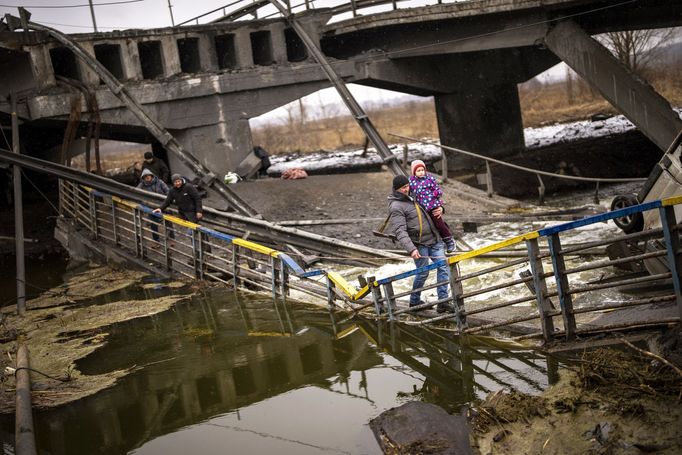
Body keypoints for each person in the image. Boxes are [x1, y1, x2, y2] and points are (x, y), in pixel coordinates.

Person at [388, 174, 453, 313]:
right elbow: (400, 231)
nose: (406, 189)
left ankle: (443, 302)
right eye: (402, 188)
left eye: (406, 186)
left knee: (443, 267)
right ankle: (414, 301)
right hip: (419, 244)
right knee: (423, 273)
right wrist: (411, 249)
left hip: (434, 240)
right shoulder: (396, 206)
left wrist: (441, 208)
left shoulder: (417, 194)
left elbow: (433, 203)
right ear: (395, 189)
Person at [409, 160, 456, 254]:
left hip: (432, 205)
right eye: (418, 171)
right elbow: (408, 191)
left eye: (422, 170)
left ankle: (449, 240)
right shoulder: (412, 181)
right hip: (421, 208)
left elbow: (438, 190)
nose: (421, 172)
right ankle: (438, 243)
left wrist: (433, 194)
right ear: (414, 172)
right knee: (429, 226)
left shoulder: (430, 179)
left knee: (439, 224)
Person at [137, 168, 169, 243]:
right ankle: (156, 241)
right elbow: (136, 193)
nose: (147, 177)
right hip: (151, 207)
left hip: (162, 205)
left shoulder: (160, 182)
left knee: (168, 222)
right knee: (153, 224)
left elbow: (168, 191)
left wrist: (166, 202)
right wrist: (144, 203)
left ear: (151, 176)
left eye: (148, 176)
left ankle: (171, 239)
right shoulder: (142, 185)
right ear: (143, 178)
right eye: (145, 176)